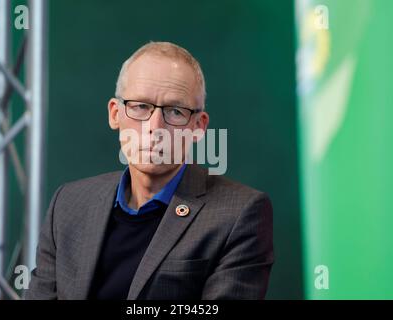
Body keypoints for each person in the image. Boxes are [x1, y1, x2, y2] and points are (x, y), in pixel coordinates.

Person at [26, 41, 273, 300]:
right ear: (115, 114)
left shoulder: (239, 214)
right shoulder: (68, 204)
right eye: (140, 106)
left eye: (175, 111)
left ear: (199, 126)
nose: (155, 127)